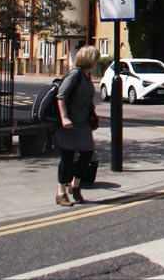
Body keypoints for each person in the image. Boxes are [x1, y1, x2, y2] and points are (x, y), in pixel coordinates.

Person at [54, 45, 99, 206]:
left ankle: (76, 185)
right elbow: (61, 96)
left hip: (83, 124)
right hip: (69, 125)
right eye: (95, 58)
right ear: (88, 59)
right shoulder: (75, 75)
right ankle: (61, 192)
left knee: (87, 154)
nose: (97, 61)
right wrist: (64, 118)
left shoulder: (87, 76)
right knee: (67, 159)